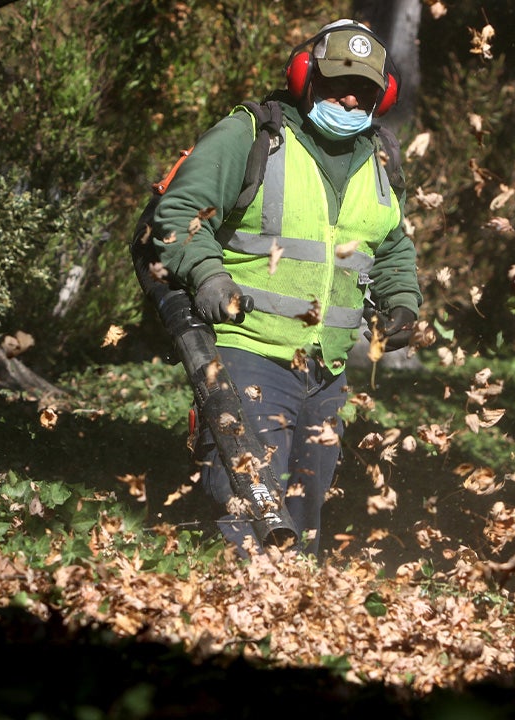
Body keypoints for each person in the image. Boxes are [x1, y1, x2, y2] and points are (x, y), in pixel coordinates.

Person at [148, 19, 422, 556]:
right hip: (247, 351)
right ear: (305, 78)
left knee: (303, 514)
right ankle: (232, 619)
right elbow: (180, 213)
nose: (349, 97)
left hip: (326, 369)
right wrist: (207, 275)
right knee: (249, 508)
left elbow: (392, 246)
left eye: (364, 89)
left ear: (382, 96)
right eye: (338, 82)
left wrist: (402, 302)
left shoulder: (382, 158)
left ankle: (292, 622)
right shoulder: (253, 135)